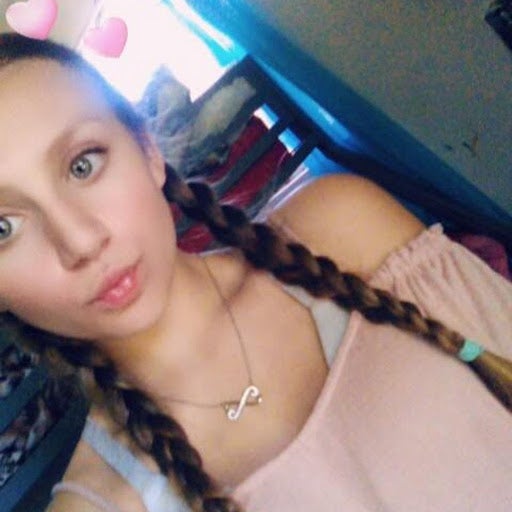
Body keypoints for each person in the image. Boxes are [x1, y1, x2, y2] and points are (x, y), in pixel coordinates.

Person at [0, 33, 510, 512]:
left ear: (148, 152)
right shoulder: (96, 503)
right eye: (3, 227)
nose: (82, 242)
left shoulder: (341, 227)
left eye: (83, 164)